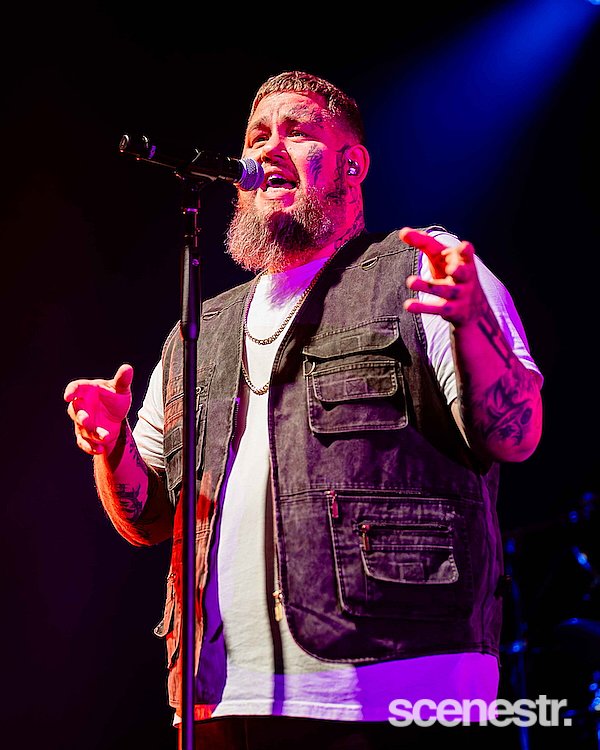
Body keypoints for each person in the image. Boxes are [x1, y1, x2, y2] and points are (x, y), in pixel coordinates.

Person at [64, 70, 543, 749]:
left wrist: (471, 326)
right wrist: (109, 445)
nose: (269, 147)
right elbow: (148, 519)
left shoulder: (423, 270)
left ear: (352, 165)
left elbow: (516, 434)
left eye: (297, 132)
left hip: (398, 686)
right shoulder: (199, 329)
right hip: (219, 699)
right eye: (257, 135)